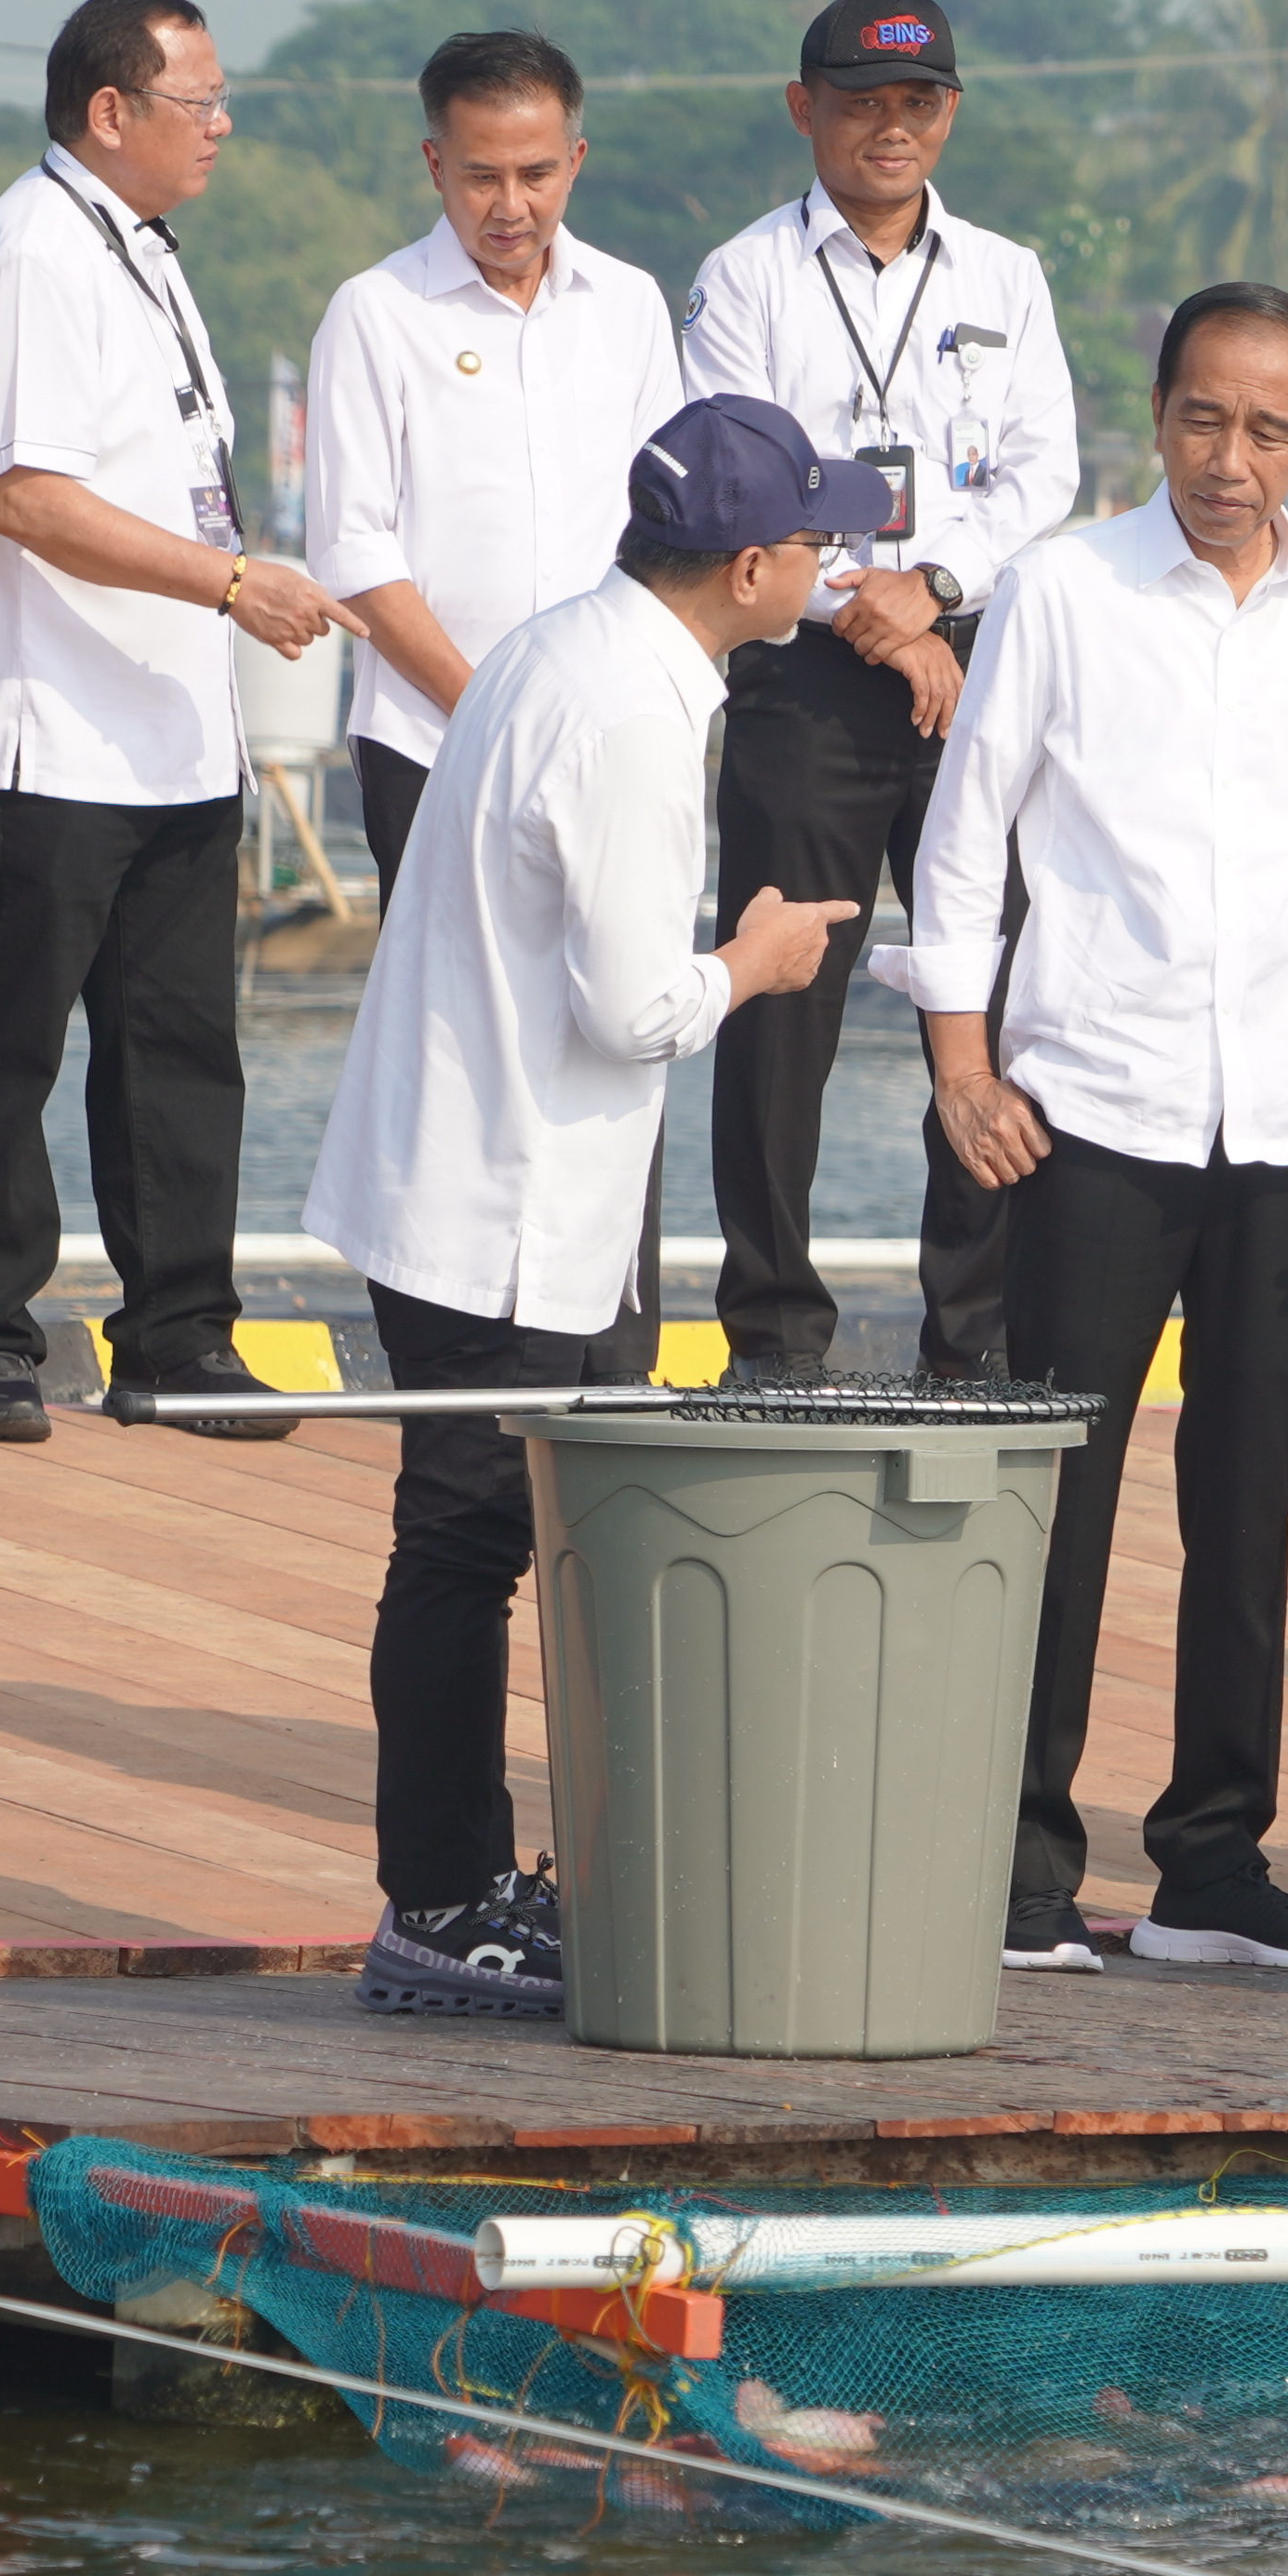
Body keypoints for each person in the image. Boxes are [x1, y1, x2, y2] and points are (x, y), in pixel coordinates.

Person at [301, 394, 882, 2017]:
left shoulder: (567, 643)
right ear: (753, 566)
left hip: (477, 1166)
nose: (830, 563)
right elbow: (634, 1008)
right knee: (467, 1534)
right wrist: (754, 964)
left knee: (476, 1532)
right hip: (503, 1195)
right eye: (818, 542)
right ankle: (436, 1902)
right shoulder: (632, 708)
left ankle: (470, 1880)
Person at [895, 282, 1288, 1978]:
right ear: (1157, 417)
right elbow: (965, 839)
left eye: (1269, 427)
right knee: (1063, 1489)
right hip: (1097, 1116)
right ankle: (1018, 1875)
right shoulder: (1065, 588)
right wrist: (963, 1069)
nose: (1231, 456)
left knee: (1251, 1496)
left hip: (1285, 1120)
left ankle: (1215, 1863)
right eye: (1203, 417)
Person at [0, 0, 341, 1442]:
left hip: (173, 729)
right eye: (199, 101)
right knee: (10, 1041)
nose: (221, 127)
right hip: (48, 730)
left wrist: (221, 604)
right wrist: (232, 584)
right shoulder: (34, 252)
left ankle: (178, 1336)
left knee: (179, 1051)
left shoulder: (145, 253)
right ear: (112, 112)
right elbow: (27, 497)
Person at [680, 0, 1080, 1380]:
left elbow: (1046, 471)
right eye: (860, 101)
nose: (889, 127)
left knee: (988, 993)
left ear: (951, 111)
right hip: (805, 678)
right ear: (805, 110)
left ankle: (974, 1335)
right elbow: (742, 476)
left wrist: (937, 593)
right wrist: (879, 613)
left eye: (917, 102)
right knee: (782, 1013)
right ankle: (773, 1332)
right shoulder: (746, 278)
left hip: (976, 673)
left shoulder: (1005, 276)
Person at [306, 28, 685, 898]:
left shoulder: (627, 304)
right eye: (482, 177)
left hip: (608, 737)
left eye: (536, 175)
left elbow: (663, 524)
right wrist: (488, 709)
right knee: (447, 1020)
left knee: (607, 1015)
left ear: (575, 161)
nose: (510, 205)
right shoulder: (376, 312)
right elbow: (352, 550)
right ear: (435, 164)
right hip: (431, 742)